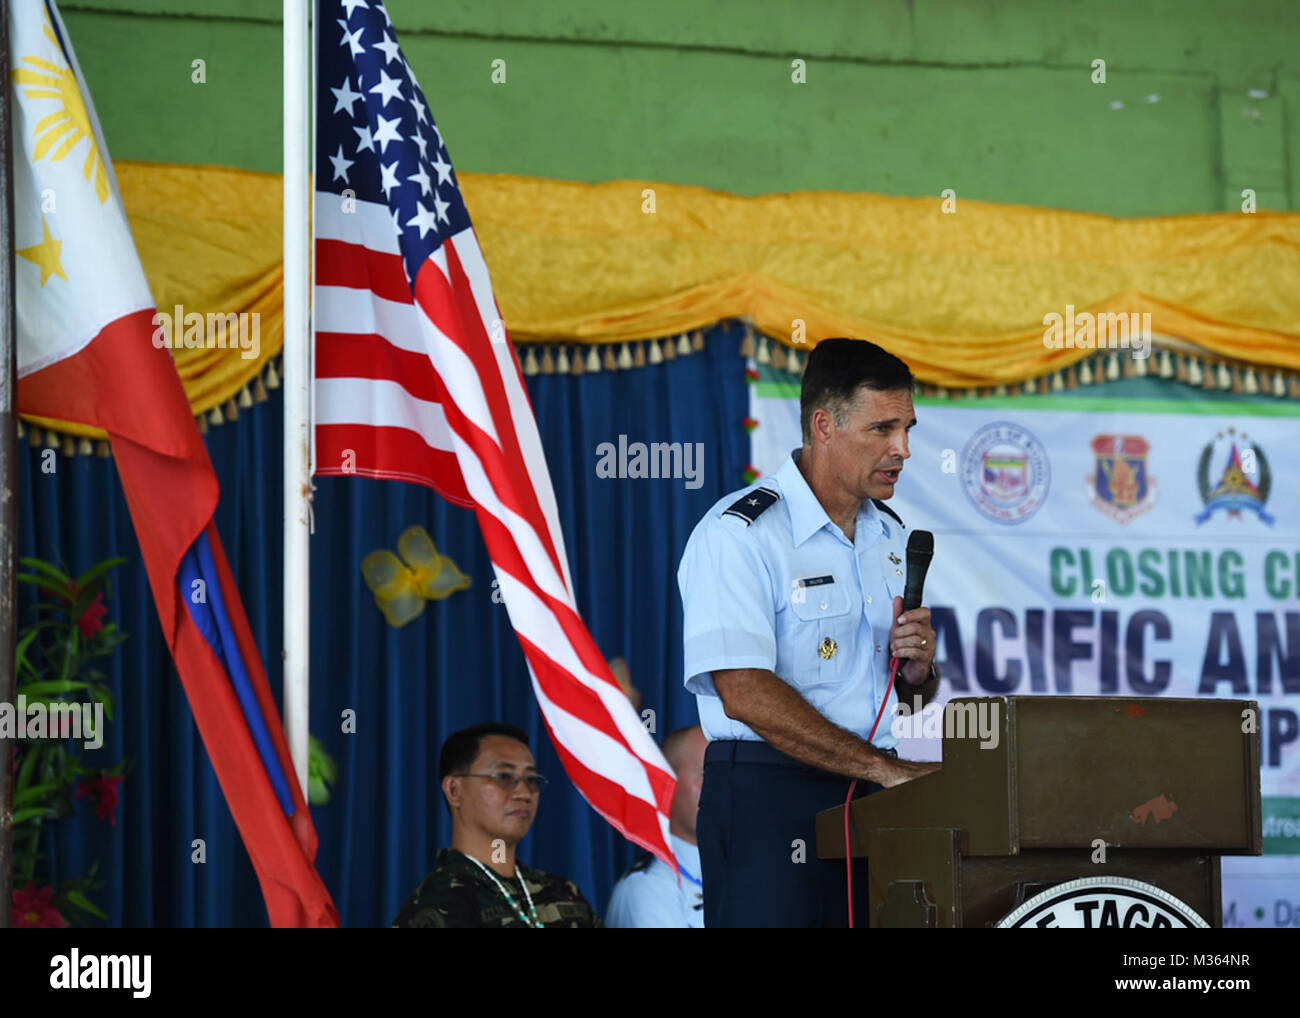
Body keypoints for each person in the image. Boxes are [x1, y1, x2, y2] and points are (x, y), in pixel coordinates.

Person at [677, 337, 942, 928]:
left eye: (909, 428)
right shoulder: (740, 534)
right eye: (883, 429)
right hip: (772, 797)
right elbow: (742, 690)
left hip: (875, 794)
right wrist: (880, 767)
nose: (902, 449)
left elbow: (902, 697)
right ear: (823, 425)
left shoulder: (892, 537)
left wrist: (921, 671)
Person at [391, 722, 602, 928]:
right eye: (503, 777)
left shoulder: (565, 894)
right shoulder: (435, 907)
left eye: (531, 780)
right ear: (454, 790)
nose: (524, 793)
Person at [605, 725, 708, 927]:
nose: (723, 789)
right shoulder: (648, 887)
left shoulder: (743, 871)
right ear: (668, 785)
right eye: (706, 775)